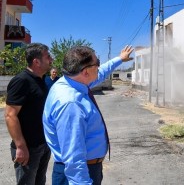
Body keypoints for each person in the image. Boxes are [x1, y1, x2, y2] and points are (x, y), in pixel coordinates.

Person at [43, 45, 134, 185]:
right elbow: (73, 156)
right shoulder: (71, 103)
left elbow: (101, 73)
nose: (99, 66)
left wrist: (119, 59)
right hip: (78, 173)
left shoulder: (71, 82)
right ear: (85, 72)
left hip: (85, 168)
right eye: (97, 63)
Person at [4, 43, 53, 185]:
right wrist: (20, 146)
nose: (51, 59)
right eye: (48, 56)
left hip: (43, 144)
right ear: (36, 61)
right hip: (28, 148)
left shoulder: (42, 80)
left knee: (40, 182)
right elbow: (10, 115)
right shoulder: (22, 80)